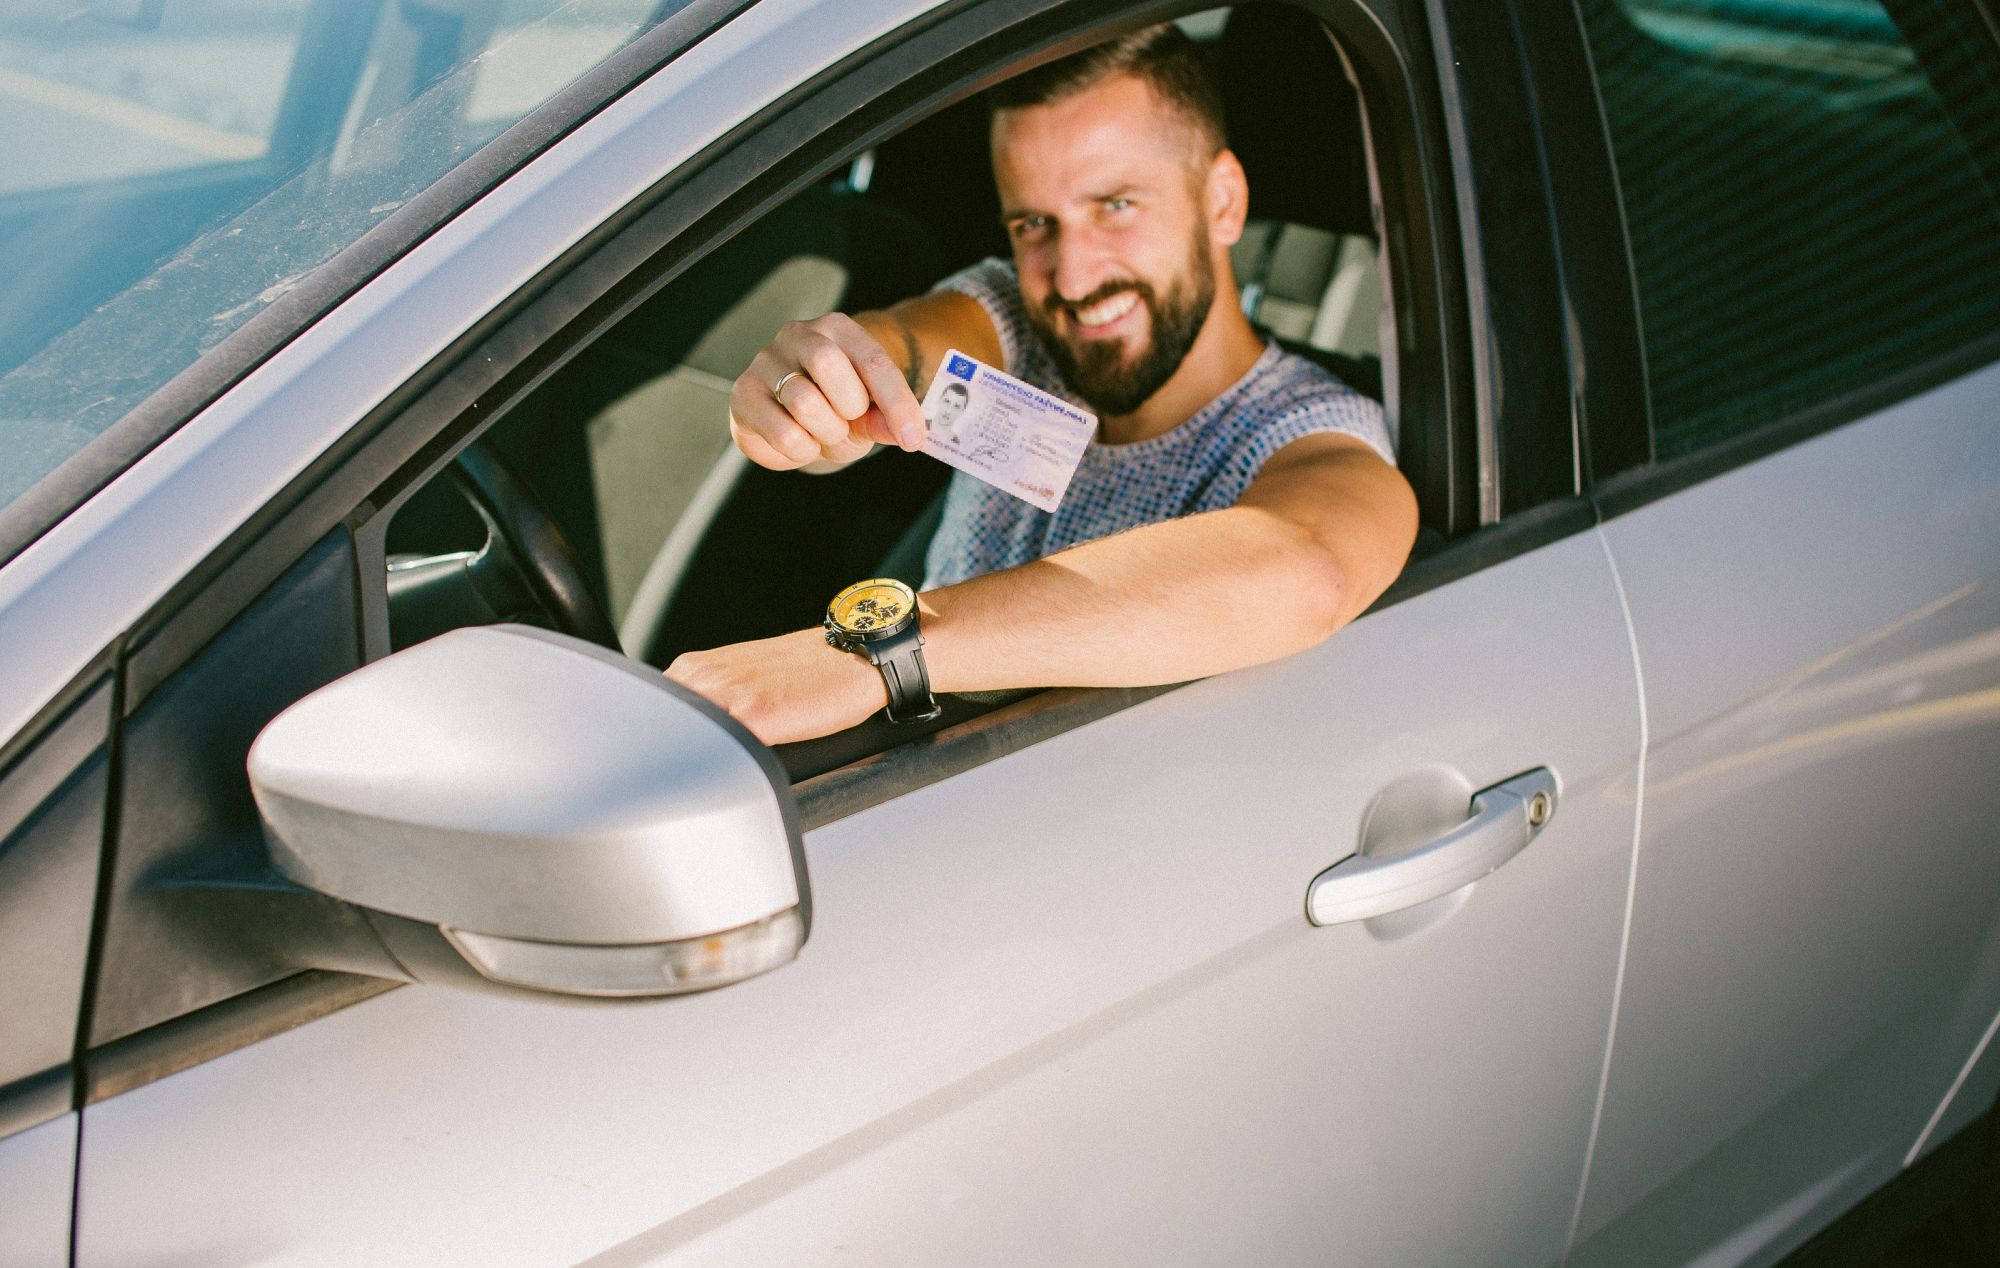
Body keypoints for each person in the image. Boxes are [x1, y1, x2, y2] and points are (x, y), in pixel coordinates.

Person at [667, 24, 1417, 744]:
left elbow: (1304, 568)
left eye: (1115, 206)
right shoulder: (1022, 330)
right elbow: (906, 349)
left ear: (1222, 200)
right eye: (1033, 224)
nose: (1074, 276)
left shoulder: (1309, 432)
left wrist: (870, 656)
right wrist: (825, 386)